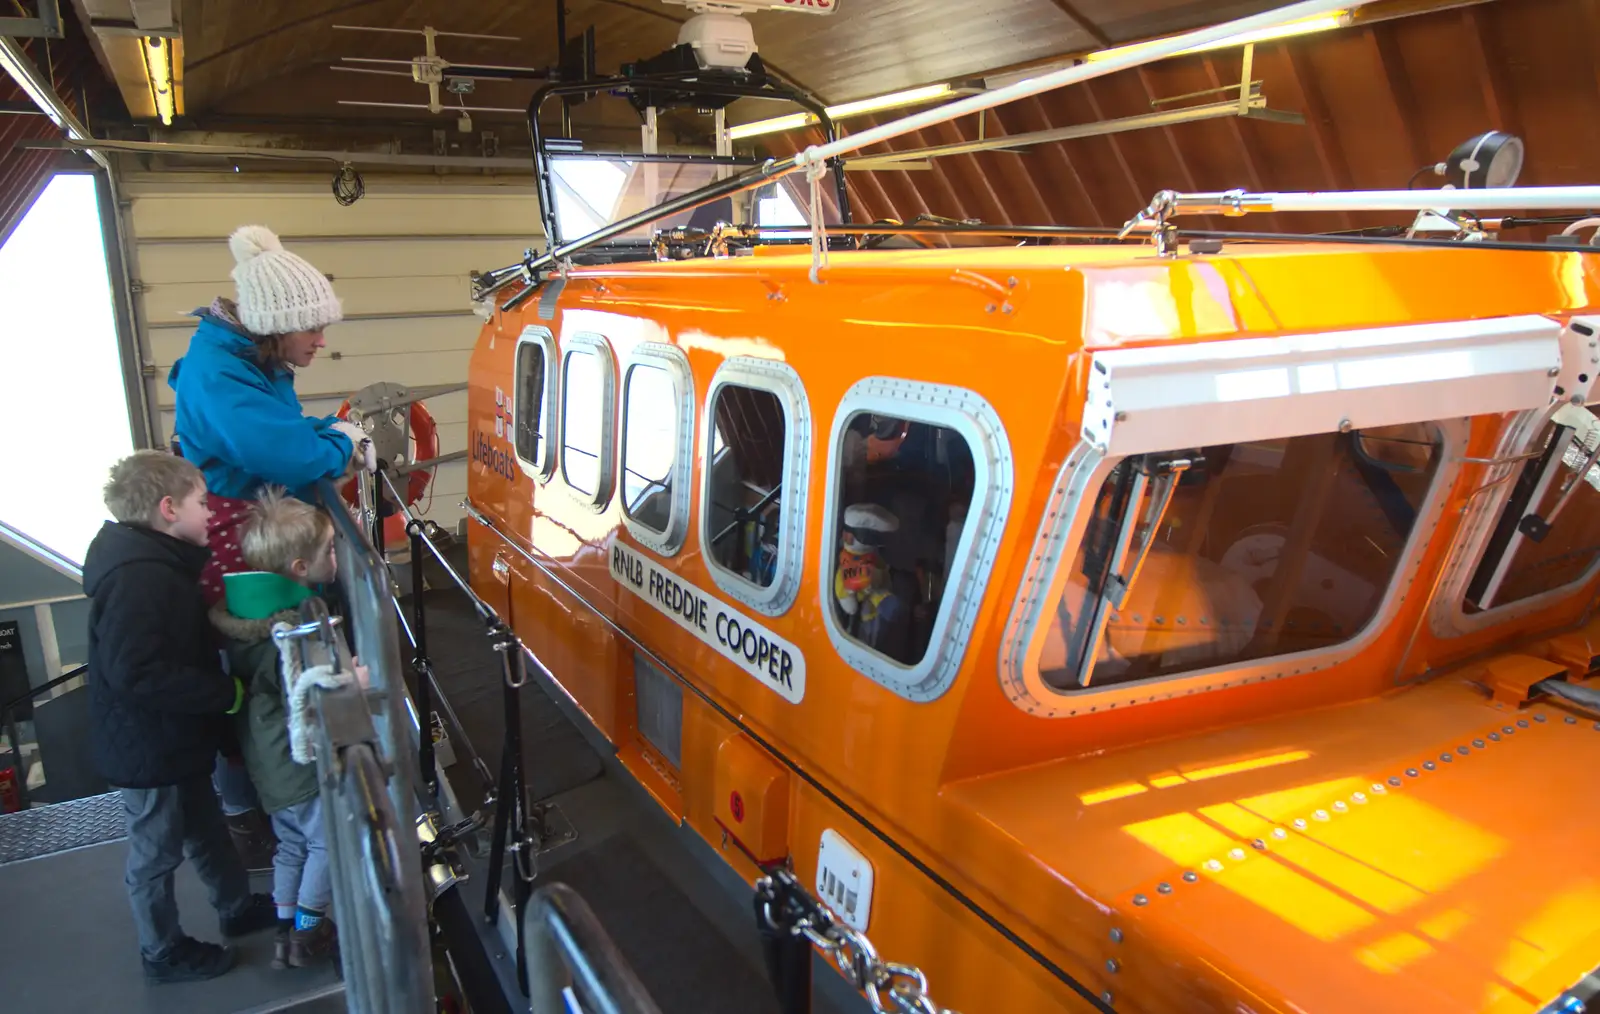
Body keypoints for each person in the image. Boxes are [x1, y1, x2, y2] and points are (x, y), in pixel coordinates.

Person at [167, 223, 375, 866]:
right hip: (244, 541)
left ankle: (275, 798)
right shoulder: (221, 376)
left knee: (272, 665)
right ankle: (262, 811)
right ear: (273, 326)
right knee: (264, 669)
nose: (320, 341)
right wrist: (342, 442)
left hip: (253, 527)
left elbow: (283, 429)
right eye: (312, 328)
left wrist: (326, 429)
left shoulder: (240, 359)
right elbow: (283, 450)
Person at [84, 450, 277, 984]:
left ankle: (235, 907)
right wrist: (224, 693)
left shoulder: (157, 563)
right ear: (168, 509)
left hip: (174, 737)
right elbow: (137, 672)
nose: (211, 513)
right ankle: (161, 949)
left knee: (207, 830)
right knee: (155, 851)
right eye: (201, 502)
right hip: (149, 747)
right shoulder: (140, 579)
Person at [210, 490, 354, 970]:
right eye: (329, 551)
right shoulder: (288, 632)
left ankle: (284, 926)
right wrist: (353, 676)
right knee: (327, 840)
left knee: (291, 844)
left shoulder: (245, 621)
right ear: (299, 567)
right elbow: (309, 686)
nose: (335, 557)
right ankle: (310, 930)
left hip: (265, 764)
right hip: (295, 764)